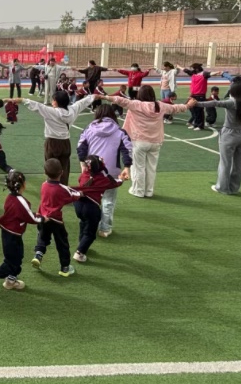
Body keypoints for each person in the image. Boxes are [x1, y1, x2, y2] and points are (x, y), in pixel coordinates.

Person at [103, 86, 195, 198]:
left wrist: (104, 97)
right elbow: (175, 108)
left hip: (139, 141)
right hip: (155, 142)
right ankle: (149, 191)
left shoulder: (137, 104)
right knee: (151, 168)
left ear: (140, 95)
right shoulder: (159, 105)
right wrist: (188, 105)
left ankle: (138, 190)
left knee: (138, 167)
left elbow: (120, 100)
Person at [11, 91, 96, 185]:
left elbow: (35, 105)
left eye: (53, 100)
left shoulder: (50, 111)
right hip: (65, 143)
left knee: (51, 169)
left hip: (52, 143)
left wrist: (21, 100)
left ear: (56, 102)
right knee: (64, 169)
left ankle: (52, 189)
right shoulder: (73, 110)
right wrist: (99, 96)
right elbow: (84, 101)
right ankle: (63, 189)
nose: (52, 102)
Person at [76, 104, 132, 237]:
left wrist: (83, 164)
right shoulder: (119, 131)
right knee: (108, 201)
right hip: (110, 173)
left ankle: (88, 226)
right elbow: (127, 150)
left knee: (89, 199)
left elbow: (80, 148)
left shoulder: (89, 129)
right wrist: (127, 167)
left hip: (91, 171)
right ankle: (105, 229)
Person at [0, 170, 42, 292]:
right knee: (11, 262)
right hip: (12, 236)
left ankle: (10, 281)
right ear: (23, 184)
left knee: (18, 257)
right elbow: (31, 218)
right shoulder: (22, 201)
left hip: (8, 233)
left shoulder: (9, 197)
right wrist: (42, 218)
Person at [31, 158, 82, 277]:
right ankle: (65, 268)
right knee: (62, 243)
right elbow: (74, 195)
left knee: (42, 238)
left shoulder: (44, 185)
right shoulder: (62, 189)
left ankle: (38, 255)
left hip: (43, 218)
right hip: (56, 220)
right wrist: (80, 194)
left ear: (45, 172)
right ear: (62, 172)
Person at [72, 156, 122, 262]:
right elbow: (115, 183)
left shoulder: (83, 175)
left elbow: (82, 179)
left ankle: (82, 244)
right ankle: (79, 253)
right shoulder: (103, 179)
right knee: (90, 233)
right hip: (91, 208)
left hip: (78, 204)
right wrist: (121, 178)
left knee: (83, 222)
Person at [183, 63, 220, 131]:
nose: (193, 70)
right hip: (193, 95)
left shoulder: (204, 74)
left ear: (197, 69)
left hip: (200, 95)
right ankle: (195, 124)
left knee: (199, 110)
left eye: (194, 68)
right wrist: (179, 66)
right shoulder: (194, 74)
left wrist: (217, 72)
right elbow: (186, 70)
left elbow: (210, 73)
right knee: (194, 110)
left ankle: (200, 125)